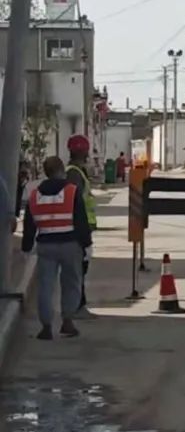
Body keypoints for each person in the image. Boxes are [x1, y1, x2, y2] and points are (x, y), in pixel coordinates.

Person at [22, 155, 92, 340]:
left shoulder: (35, 195)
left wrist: (26, 246)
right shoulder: (71, 191)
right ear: (62, 170)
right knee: (71, 283)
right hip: (70, 245)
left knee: (45, 286)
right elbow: (81, 221)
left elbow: (29, 225)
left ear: (46, 172)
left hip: (46, 245)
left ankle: (46, 327)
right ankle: (67, 322)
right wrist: (87, 245)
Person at [66, 134, 96, 310]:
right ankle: (77, 305)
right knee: (79, 268)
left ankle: (78, 303)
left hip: (81, 226)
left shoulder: (76, 172)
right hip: (79, 228)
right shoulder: (74, 173)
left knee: (81, 267)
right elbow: (75, 203)